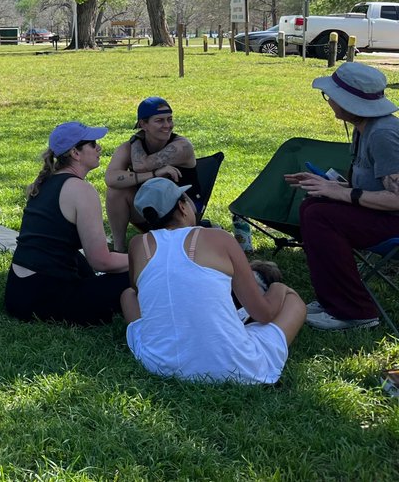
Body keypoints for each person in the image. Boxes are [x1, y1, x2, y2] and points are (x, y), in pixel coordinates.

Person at [122, 178, 305, 383]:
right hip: (233, 367)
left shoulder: (137, 244)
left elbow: (141, 295)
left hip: (158, 363)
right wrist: (279, 288)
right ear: (183, 207)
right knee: (293, 302)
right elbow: (264, 314)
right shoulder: (220, 238)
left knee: (128, 295)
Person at [284, 63, 399, 330]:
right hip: (382, 216)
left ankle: (355, 311)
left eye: (332, 96)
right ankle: (333, 302)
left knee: (319, 215)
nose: (330, 102)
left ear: (351, 102)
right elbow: (374, 184)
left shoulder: (383, 133)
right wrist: (328, 184)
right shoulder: (366, 127)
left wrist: (344, 193)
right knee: (314, 205)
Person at [5, 122, 129, 325]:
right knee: (137, 274)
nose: (99, 148)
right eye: (93, 144)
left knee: (78, 259)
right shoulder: (81, 190)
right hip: (47, 299)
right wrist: (143, 259)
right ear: (75, 153)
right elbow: (101, 261)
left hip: (18, 293)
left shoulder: (45, 183)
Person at [104, 96, 197, 251]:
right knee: (116, 190)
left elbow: (141, 165)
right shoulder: (128, 148)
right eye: (159, 120)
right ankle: (119, 249)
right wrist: (155, 174)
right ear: (143, 124)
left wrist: (135, 139)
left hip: (184, 211)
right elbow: (111, 179)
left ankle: (179, 248)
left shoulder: (182, 147)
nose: (167, 125)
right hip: (150, 211)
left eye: (169, 119)